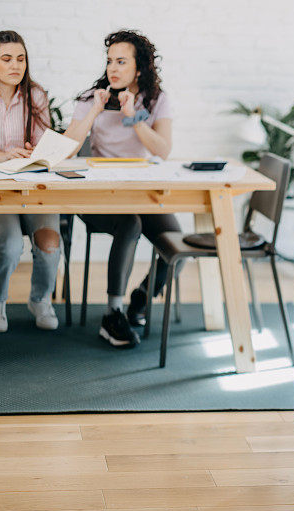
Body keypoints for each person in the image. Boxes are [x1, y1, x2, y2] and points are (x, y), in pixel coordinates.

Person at [64, 29, 178, 348]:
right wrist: (95, 112)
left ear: (138, 67)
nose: (113, 68)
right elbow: (68, 149)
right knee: (130, 223)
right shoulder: (91, 98)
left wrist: (134, 118)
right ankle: (112, 314)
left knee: (178, 246)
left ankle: (140, 299)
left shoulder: (156, 100)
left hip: (141, 193)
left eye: (121, 61)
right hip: (98, 197)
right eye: (110, 61)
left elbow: (163, 150)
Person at [0, 30, 60, 333]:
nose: (15, 65)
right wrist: (0, 156)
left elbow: (47, 148)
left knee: (50, 241)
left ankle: (40, 299)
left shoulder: (35, 95)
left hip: (32, 188)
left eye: (21, 59)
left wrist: (35, 152)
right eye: (7, 59)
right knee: (12, 244)